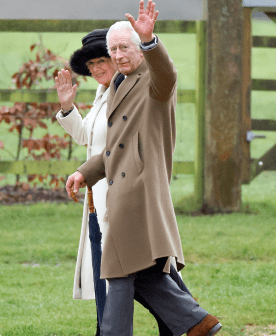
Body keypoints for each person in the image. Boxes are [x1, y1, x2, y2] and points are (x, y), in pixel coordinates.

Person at [66, 1, 223, 335]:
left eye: (125, 47)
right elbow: (114, 147)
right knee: (137, 271)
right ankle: (197, 322)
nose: (119, 55)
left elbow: (168, 73)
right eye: (113, 49)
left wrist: (151, 41)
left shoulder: (153, 80)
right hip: (120, 190)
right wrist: (85, 172)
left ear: (138, 48)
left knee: (118, 270)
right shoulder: (119, 85)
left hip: (139, 190)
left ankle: (189, 324)